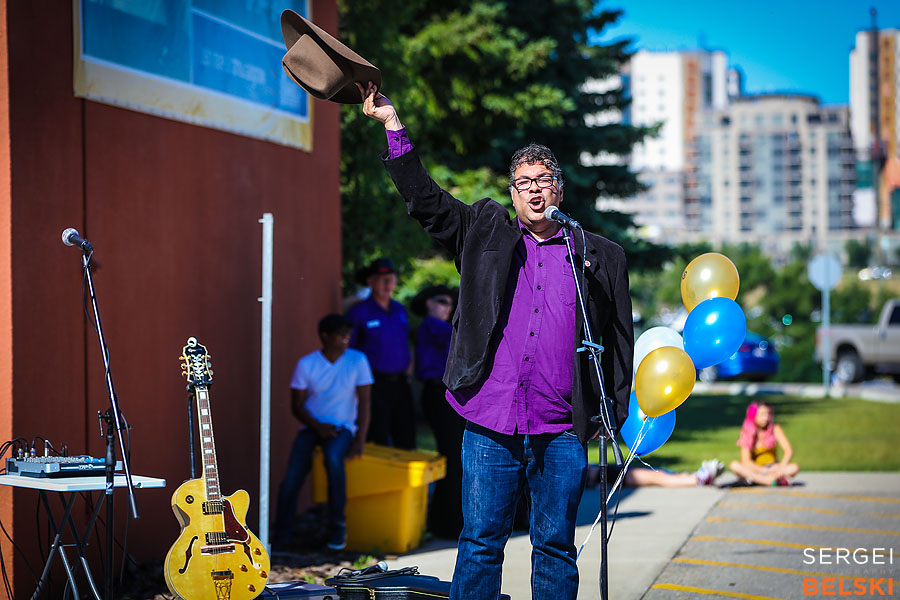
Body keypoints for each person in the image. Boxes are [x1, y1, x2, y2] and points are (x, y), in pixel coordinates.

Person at [358, 82, 634, 600]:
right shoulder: (483, 233)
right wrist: (393, 126)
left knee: (555, 546)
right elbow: (425, 201)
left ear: (559, 190)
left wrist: (609, 414)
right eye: (523, 182)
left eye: (544, 180)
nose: (534, 191)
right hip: (490, 418)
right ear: (512, 193)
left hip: (561, 426)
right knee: (481, 543)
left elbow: (620, 342)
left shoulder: (600, 256)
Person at [274, 314, 373, 551]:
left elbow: (365, 402)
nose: (346, 338)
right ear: (325, 336)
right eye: (340, 333)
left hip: (342, 427)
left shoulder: (357, 360)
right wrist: (318, 427)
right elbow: (296, 406)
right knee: (292, 476)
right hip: (311, 426)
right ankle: (281, 536)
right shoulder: (307, 364)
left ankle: (338, 529)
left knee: (334, 462)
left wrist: (359, 439)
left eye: (348, 333)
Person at [412, 284, 465, 538]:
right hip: (438, 393)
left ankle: (445, 521)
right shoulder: (432, 325)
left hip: (444, 393)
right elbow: (462, 335)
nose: (447, 307)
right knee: (452, 457)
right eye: (441, 301)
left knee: (452, 456)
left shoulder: (440, 328)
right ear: (428, 303)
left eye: (450, 303)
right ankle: (448, 523)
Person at [346, 258, 416, 449]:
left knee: (406, 437)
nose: (387, 284)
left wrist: (408, 371)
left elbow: (405, 342)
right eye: (381, 279)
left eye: (391, 279)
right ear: (370, 282)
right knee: (377, 437)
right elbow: (350, 350)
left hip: (401, 382)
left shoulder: (399, 309)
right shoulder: (359, 312)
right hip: (374, 383)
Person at [729, 401, 799, 486]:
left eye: (768, 414)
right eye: (762, 414)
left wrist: (781, 467)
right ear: (753, 415)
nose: (766, 418)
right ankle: (767, 481)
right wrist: (765, 471)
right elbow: (746, 461)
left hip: (773, 468)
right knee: (734, 465)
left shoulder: (775, 429)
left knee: (794, 468)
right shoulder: (747, 432)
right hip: (755, 469)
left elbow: (788, 451)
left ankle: (755, 480)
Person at [587, 459, 725, 489]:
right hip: (601, 475)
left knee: (659, 472)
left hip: (600, 472)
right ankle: (698, 478)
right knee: (656, 476)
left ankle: (693, 476)